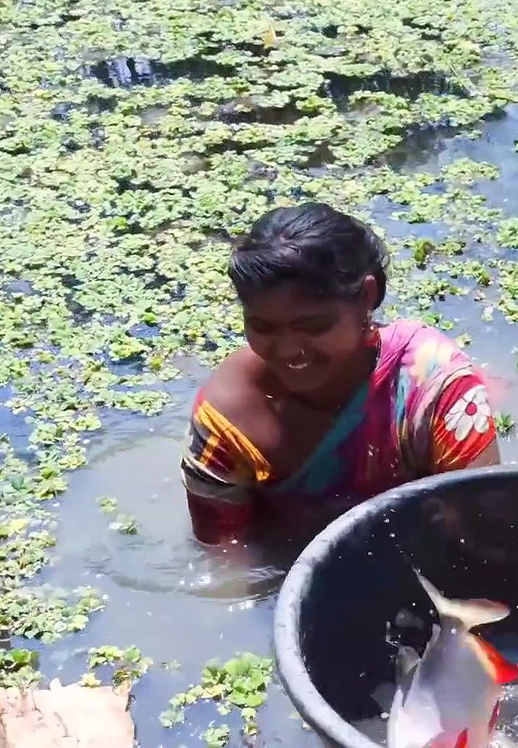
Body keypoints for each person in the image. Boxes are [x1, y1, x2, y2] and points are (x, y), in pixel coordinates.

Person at [180, 202, 501, 545]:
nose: (288, 350)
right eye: (263, 327)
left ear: (366, 296)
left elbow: (483, 528)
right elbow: (223, 560)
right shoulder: (228, 417)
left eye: (313, 326)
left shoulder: (434, 388)